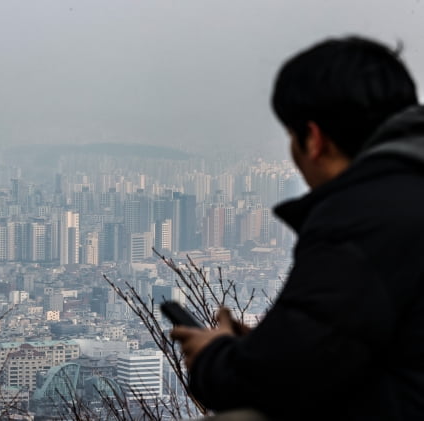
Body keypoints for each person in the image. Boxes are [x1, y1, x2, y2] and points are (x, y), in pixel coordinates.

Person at [171, 36, 424, 420]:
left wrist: (212, 357)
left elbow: (270, 381)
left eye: (291, 136)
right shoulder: (403, 194)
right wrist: (265, 346)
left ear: (314, 138)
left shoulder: (362, 217)